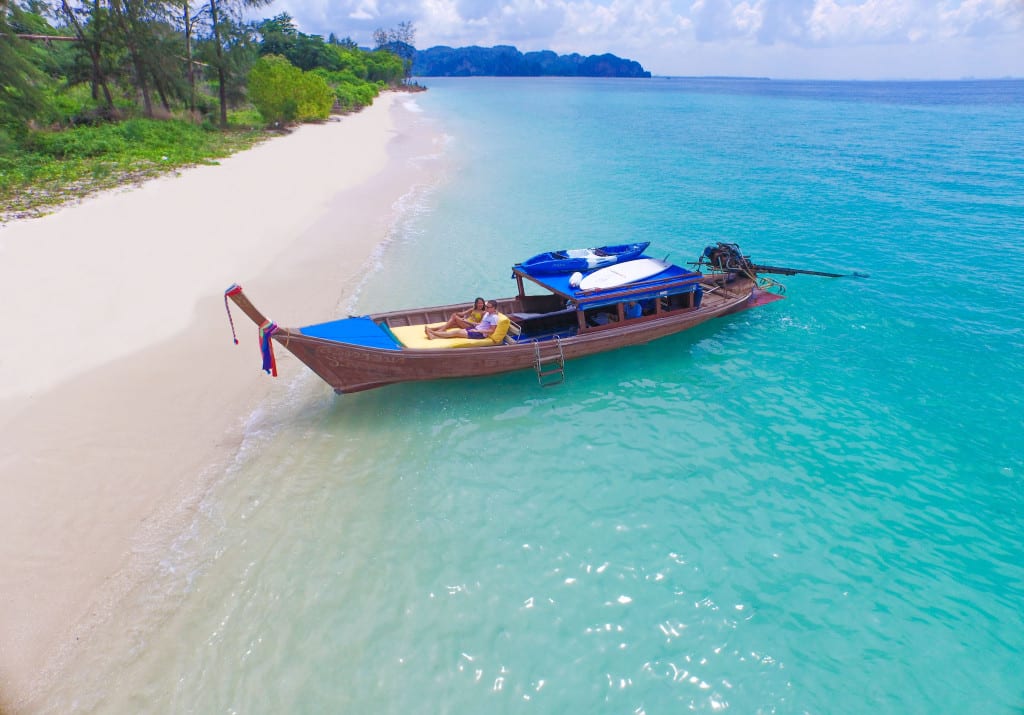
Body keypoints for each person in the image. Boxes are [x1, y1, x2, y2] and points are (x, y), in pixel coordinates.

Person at [427, 300, 499, 340]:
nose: (486, 308)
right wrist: (475, 326)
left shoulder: (494, 318)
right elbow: (482, 324)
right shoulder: (487, 313)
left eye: (488, 307)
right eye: (486, 306)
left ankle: (432, 332)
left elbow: (491, 331)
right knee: (456, 331)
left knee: (456, 332)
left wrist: (477, 330)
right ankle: (434, 336)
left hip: (480, 334)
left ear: (494, 308)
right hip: (475, 328)